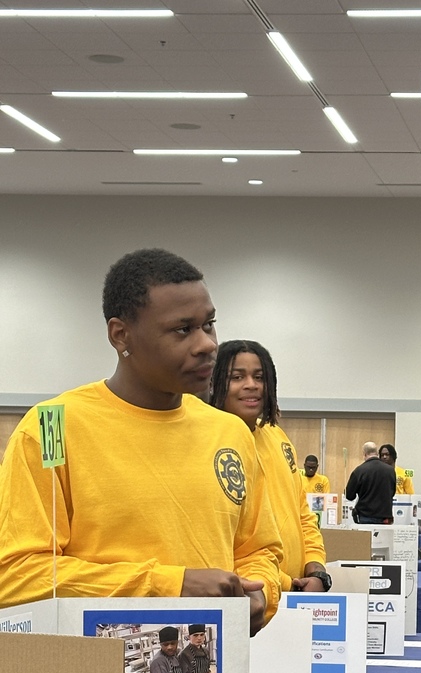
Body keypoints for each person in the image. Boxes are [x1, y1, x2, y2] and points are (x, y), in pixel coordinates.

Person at [0, 248, 282, 635]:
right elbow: (18, 575)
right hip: (89, 663)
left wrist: (261, 592)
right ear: (121, 335)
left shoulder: (230, 432)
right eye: (183, 329)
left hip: (215, 662)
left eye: (209, 324)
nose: (206, 344)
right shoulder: (52, 426)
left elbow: (259, 550)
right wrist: (167, 587)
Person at [211, 340, 332, 594]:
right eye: (237, 377)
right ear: (213, 383)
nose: (251, 385)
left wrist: (316, 570)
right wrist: (285, 584)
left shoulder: (277, 437)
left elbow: (302, 513)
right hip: (248, 595)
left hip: (297, 592)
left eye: (259, 377)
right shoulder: (208, 445)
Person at [345, 441, 396, 524]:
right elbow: (392, 493)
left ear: (364, 454)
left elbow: (349, 496)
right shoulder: (390, 471)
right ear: (377, 453)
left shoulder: (359, 471)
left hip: (365, 516)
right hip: (385, 517)